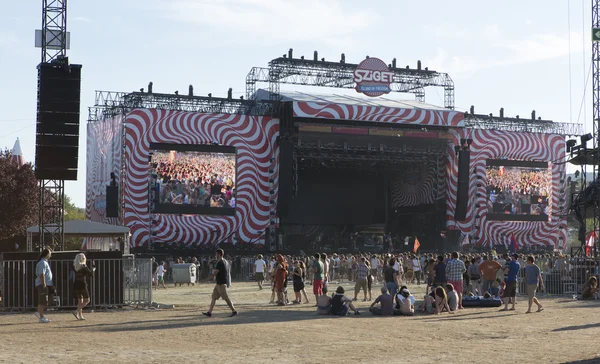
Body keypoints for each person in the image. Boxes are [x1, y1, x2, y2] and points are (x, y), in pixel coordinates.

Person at [203, 249, 237, 317]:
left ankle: (234, 311)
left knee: (226, 298)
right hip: (219, 283)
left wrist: (207, 279)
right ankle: (209, 312)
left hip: (221, 283)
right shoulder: (225, 261)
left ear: (219, 254)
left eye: (216, 254)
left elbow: (215, 273)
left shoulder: (220, 262)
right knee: (214, 297)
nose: (215, 255)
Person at [34, 248, 53, 323]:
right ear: (47, 254)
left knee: (46, 300)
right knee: (42, 300)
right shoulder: (42, 263)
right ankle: (41, 317)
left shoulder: (45, 262)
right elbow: (42, 274)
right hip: (42, 284)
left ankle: (39, 313)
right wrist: (44, 285)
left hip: (46, 284)